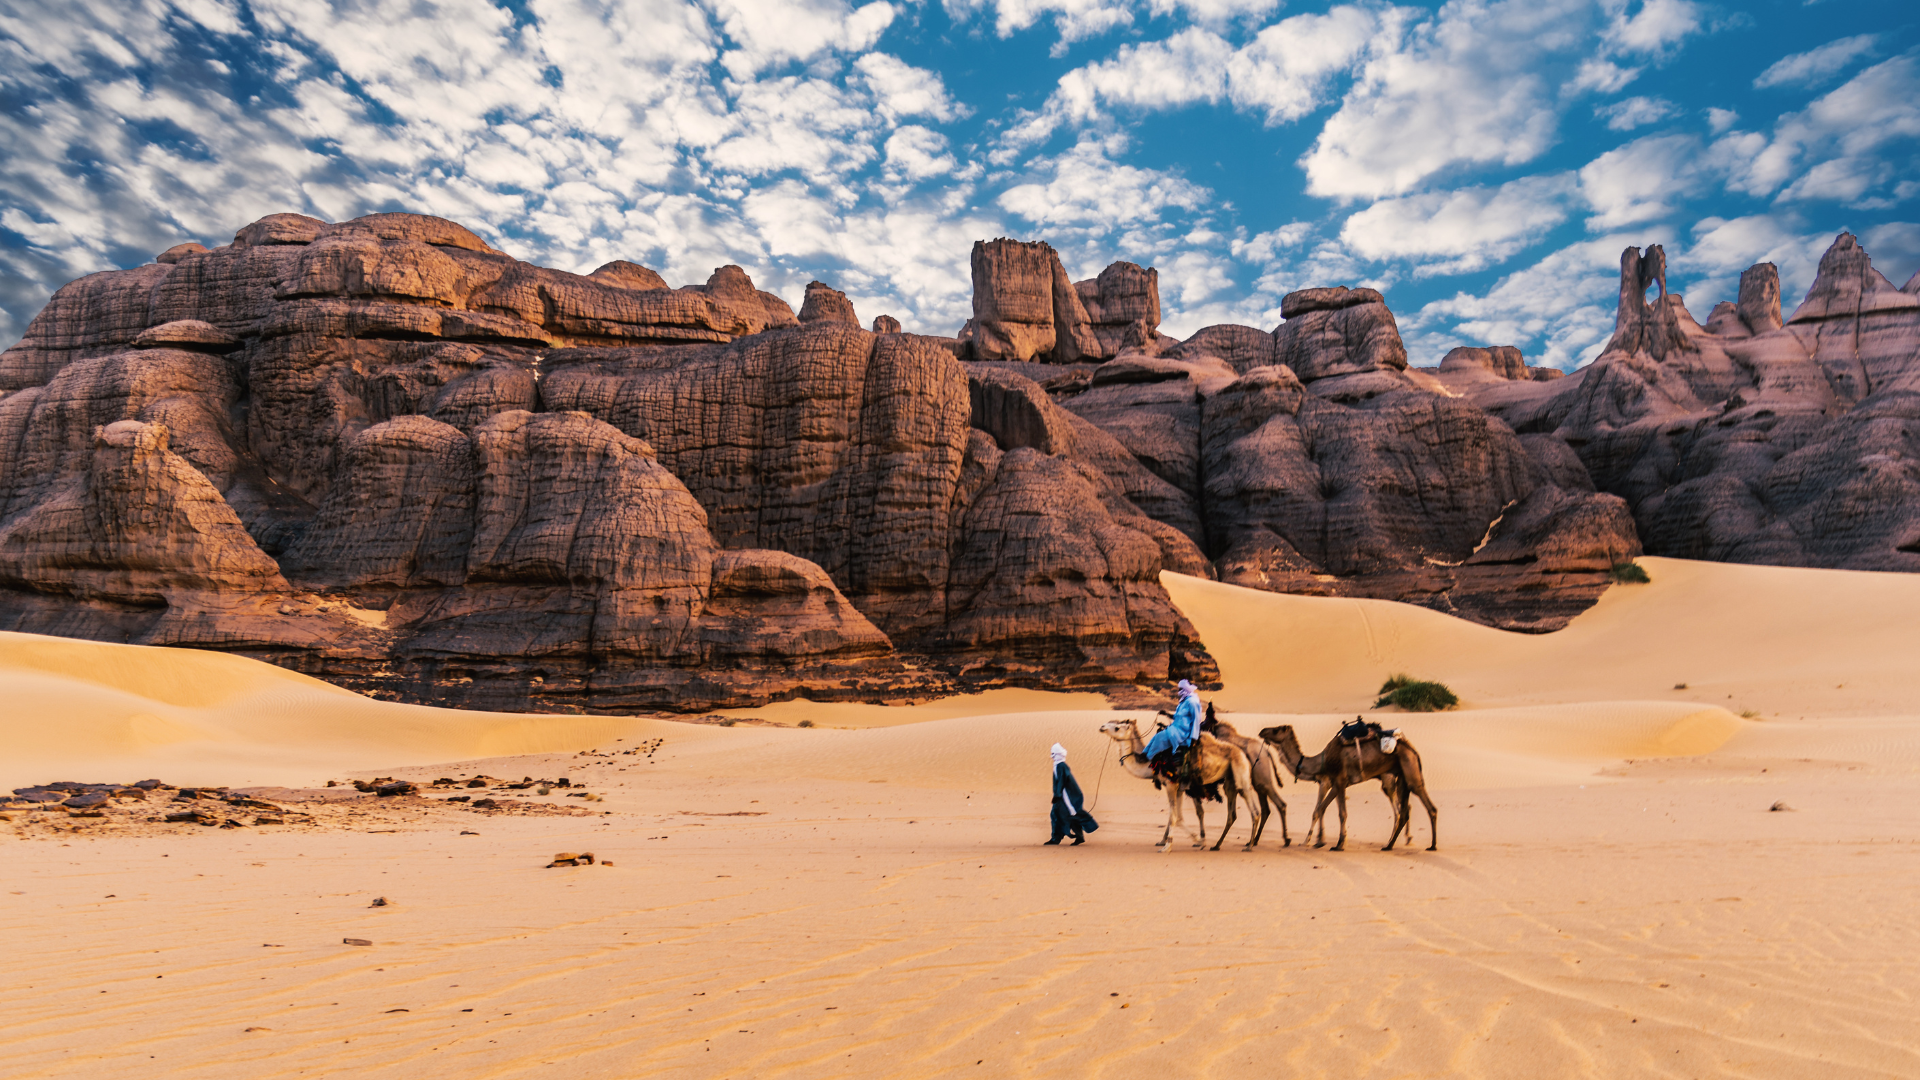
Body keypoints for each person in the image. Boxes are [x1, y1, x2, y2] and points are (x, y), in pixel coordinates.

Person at [1141, 679, 1204, 769]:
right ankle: (1144, 753)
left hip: (1184, 732)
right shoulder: (1184, 701)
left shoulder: (1192, 702)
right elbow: (1178, 716)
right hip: (1176, 728)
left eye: (1180, 689)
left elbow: (1196, 719)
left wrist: (1194, 737)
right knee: (1157, 735)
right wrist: (1167, 714)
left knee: (1160, 738)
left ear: (1185, 689)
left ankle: (1148, 758)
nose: (1178, 691)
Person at [1045, 743, 1098, 845]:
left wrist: (1057, 795)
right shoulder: (1059, 765)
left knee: (1058, 814)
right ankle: (1077, 836)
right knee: (1070, 815)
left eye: (1053, 754)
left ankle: (1057, 838)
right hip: (1066, 796)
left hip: (1067, 797)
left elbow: (1061, 781)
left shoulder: (1060, 766)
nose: (1052, 756)